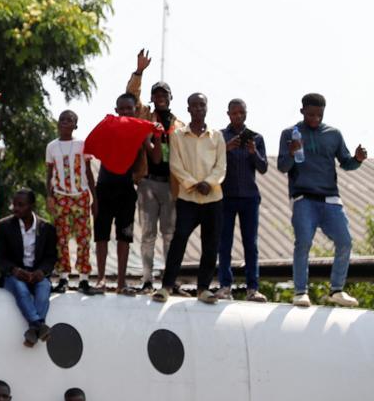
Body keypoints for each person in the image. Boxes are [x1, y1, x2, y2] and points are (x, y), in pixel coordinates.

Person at [277, 93, 367, 308]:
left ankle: (337, 290)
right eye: (311, 114)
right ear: (302, 111)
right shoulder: (290, 133)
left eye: (319, 114)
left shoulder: (333, 134)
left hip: (331, 199)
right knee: (304, 243)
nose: (315, 118)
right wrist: (291, 152)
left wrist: (357, 159)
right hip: (303, 199)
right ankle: (300, 291)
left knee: (345, 241)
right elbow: (282, 167)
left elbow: (346, 163)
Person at [84, 94, 160, 294]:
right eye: (122, 109)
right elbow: (90, 146)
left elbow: (155, 156)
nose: (126, 112)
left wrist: (156, 135)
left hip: (126, 187)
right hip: (104, 186)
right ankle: (101, 279)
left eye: (129, 108)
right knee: (101, 235)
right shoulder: (108, 126)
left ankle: (120, 282)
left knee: (124, 236)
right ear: (116, 110)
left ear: (135, 110)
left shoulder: (140, 130)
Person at [153, 94, 225, 305]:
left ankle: (204, 289)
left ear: (207, 107)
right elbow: (175, 165)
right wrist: (193, 183)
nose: (198, 108)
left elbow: (221, 166)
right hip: (188, 196)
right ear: (188, 108)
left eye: (202, 104)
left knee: (211, 244)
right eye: (194, 105)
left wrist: (209, 183)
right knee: (179, 240)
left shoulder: (216, 136)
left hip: (213, 197)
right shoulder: (178, 136)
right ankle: (166, 287)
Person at [127, 50, 184, 292]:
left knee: (170, 234)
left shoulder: (180, 125)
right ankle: (147, 279)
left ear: (171, 98)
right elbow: (130, 96)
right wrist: (139, 71)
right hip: (148, 181)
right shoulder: (145, 115)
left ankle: (169, 280)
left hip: (170, 184)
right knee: (148, 233)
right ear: (152, 97)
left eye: (164, 94)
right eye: (156, 94)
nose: (160, 98)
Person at [0, 189, 58, 347]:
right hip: (14, 275)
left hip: (37, 275)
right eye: (14, 204)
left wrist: (41, 272)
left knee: (44, 288)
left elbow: (51, 257)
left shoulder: (47, 228)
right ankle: (38, 325)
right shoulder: (4, 226)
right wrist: (14, 270)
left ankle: (33, 329)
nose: (16, 208)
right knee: (20, 289)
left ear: (31, 206)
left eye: (20, 205)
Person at [45, 110, 100, 295]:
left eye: (70, 120)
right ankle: (63, 278)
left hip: (81, 196)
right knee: (61, 238)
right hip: (61, 197)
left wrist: (95, 198)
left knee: (84, 237)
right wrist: (49, 197)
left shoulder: (82, 145)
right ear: (58, 123)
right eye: (62, 119)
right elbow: (48, 174)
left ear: (75, 125)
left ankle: (84, 279)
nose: (65, 122)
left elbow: (89, 173)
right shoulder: (51, 147)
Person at [219, 100, 268, 302]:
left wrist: (253, 152)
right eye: (234, 113)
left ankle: (252, 288)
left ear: (246, 114)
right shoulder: (220, 137)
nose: (238, 116)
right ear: (228, 114)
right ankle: (225, 286)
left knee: (251, 243)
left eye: (241, 113)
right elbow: (210, 162)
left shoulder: (256, 138)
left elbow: (263, 167)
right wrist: (226, 149)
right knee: (224, 243)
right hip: (226, 196)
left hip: (249, 196)